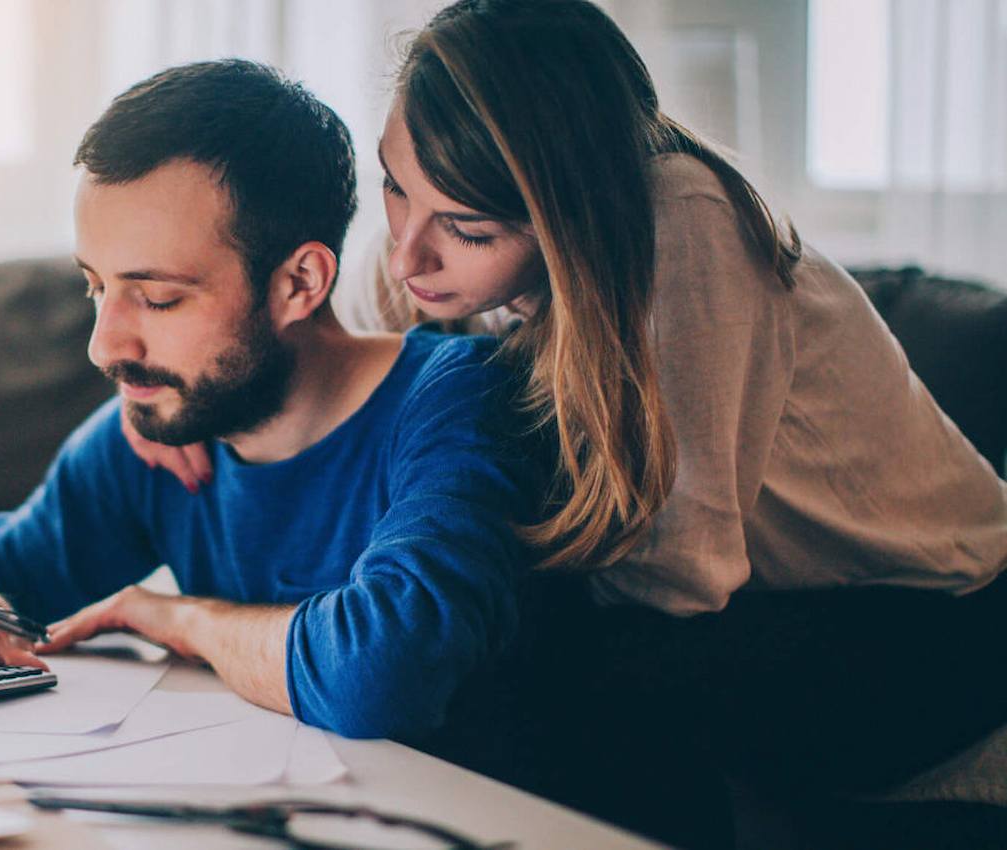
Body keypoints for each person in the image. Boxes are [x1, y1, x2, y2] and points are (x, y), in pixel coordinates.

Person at [124, 2, 1007, 846]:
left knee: (541, 668)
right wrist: (185, 390)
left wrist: (421, 597)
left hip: (932, 610)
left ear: (565, 212)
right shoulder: (431, 230)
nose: (407, 254)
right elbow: (320, 342)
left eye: (465, 230)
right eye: (395, 191)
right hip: (759, 601)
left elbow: (680, 573)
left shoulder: (683, 227)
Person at [0, 59, 546, 749]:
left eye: (157, 297)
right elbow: (2, 588)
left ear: (298, 283)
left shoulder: (460, 400)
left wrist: (178, 619)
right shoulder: (160, 430)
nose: (104, 347)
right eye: (95, 287)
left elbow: (381, 677)